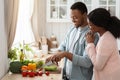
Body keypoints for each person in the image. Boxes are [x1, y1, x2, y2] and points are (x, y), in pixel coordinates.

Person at [46, 2, 99, 80]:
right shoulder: (72, 29)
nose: (73, 20)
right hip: (66, 76)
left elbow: (87, 62)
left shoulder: (92, 35)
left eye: (76, 17)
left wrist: (65, 54)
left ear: (84, 15)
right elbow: (63, 45)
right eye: (71, 17)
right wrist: (56, 55)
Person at [86, 8, 120, 80]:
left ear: (100, 25)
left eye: (91, 25)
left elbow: (98, 65)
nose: (89, 28)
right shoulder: (105, 36)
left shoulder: (106, 40)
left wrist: (90, 44)